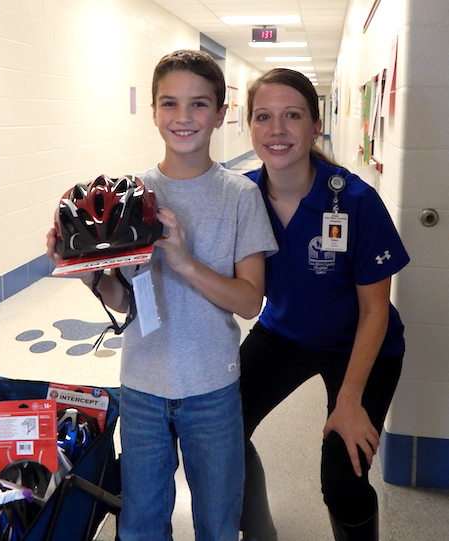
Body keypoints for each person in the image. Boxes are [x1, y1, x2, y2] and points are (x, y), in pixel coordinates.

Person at [47, 50, 277, 541]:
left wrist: (184, 261)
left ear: (220, 113)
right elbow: (129, 303)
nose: (182, 118)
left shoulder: (240, 196)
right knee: (141, 525)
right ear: (153, 111)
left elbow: (250, 301)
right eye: (169, 103)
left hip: (212, 387)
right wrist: (89, 273)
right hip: (142, 387)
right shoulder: (132, 194)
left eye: (198, 105)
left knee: (217, 523)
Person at [239, 68, 410, 541]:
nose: (277, 130)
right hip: (284, 333)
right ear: (249, 126)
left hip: (363, 344)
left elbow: (375, 311)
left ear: (316, 126)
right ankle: (258, 530)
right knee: (217, 433)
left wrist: (350, 400)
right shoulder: (243, 197)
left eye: (292, 116)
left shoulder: (355, 201)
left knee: (344, 478)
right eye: (264, 116)